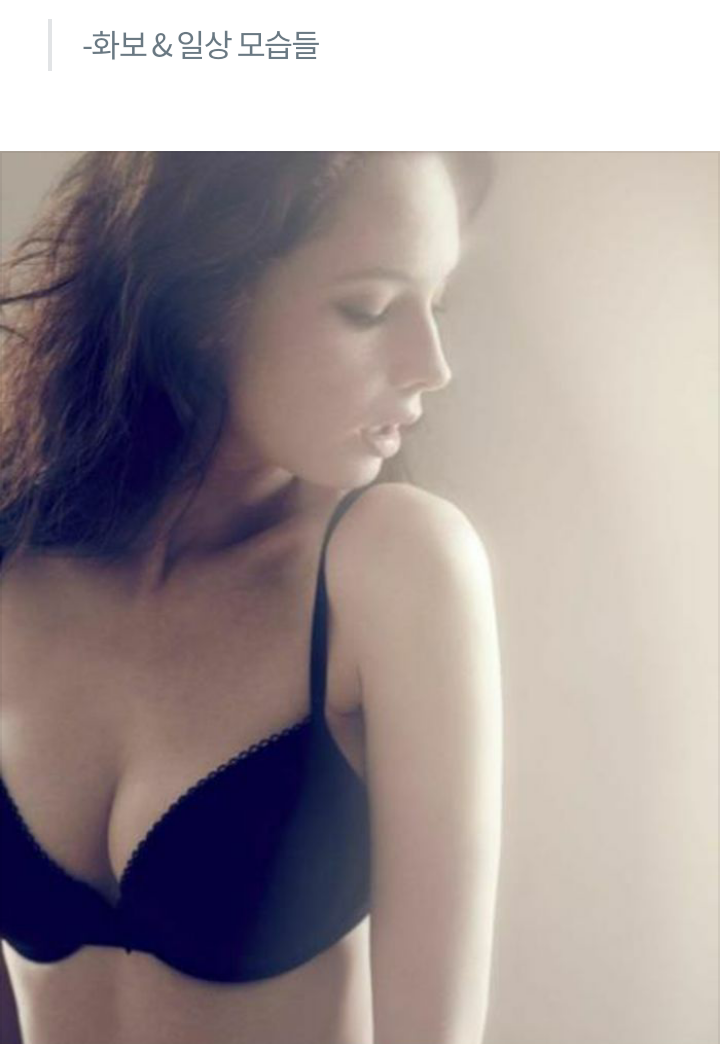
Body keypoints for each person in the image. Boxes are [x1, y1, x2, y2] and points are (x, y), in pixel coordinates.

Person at [0, 151, 503, 1044]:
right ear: (208, 300)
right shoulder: (17, 563)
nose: (432, 365)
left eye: (436, 305)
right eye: (369, 307)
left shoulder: (391, 569)